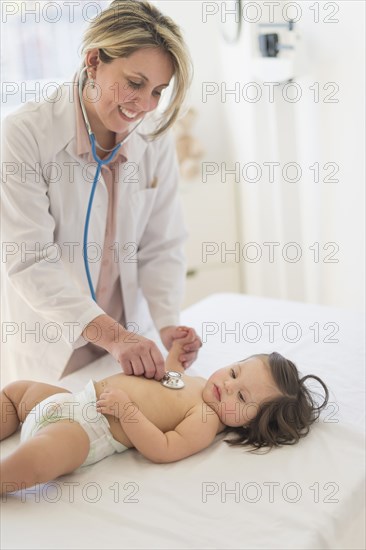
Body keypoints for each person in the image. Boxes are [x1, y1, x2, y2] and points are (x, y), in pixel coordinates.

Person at [0, 0, 201, 386]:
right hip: (53, 345)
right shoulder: (24, 136)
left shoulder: (153, 137)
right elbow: (29, 261)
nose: (144, 106)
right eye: (135, 83)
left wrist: (167, 324)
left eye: (158, 90)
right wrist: (112, 335)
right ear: (93, 61)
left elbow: (163, 244)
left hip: (127, 344)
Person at [0, 329, 329, 496]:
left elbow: (165, 448)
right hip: (72, 399)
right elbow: (169, 379)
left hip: (88, 430)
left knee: (39, 459)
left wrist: (127, 412)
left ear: (250, 423)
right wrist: (175, 353)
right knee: (16, 394)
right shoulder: (198, 384)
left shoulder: (206, 420)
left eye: (241, 396)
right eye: (233, 373)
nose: (228, 386)